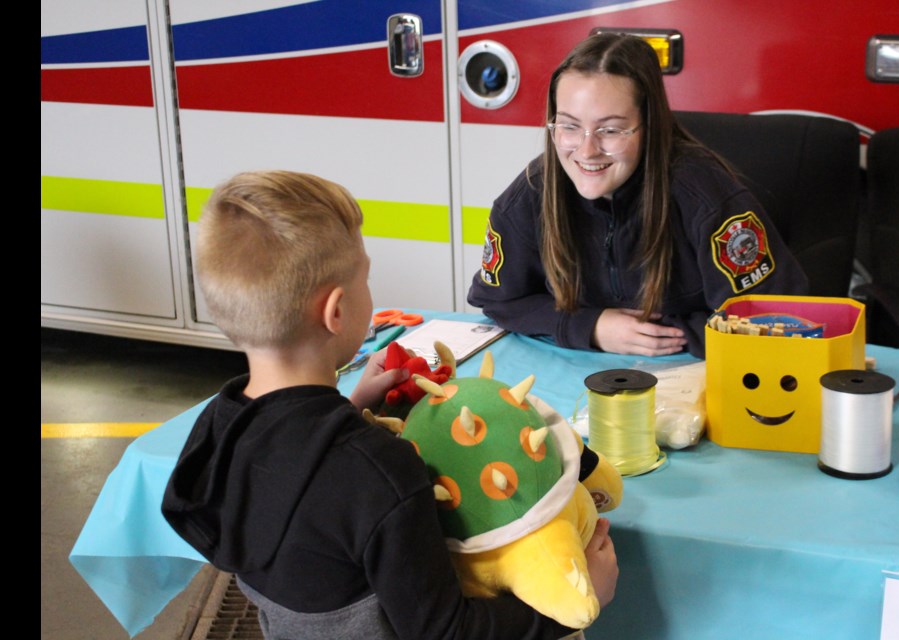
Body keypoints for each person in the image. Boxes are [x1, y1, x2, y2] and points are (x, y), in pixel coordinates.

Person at [160, 170, 618, 640]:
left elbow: (292, 476)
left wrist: (350, 407)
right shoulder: (379, 471)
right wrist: (577, 604)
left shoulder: (219, 423)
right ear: (335, 312)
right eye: (365, 276)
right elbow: (443, 631)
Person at [467, 34, 809, 358]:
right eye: (569, 125)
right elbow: (496, 300)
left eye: (611, 130)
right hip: (583, 373)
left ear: (650, 125)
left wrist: (669, 335)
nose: (587, 150)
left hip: (696, 375)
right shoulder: (530, 194)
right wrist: (592, 327)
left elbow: (775, 320)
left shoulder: (704, 195)